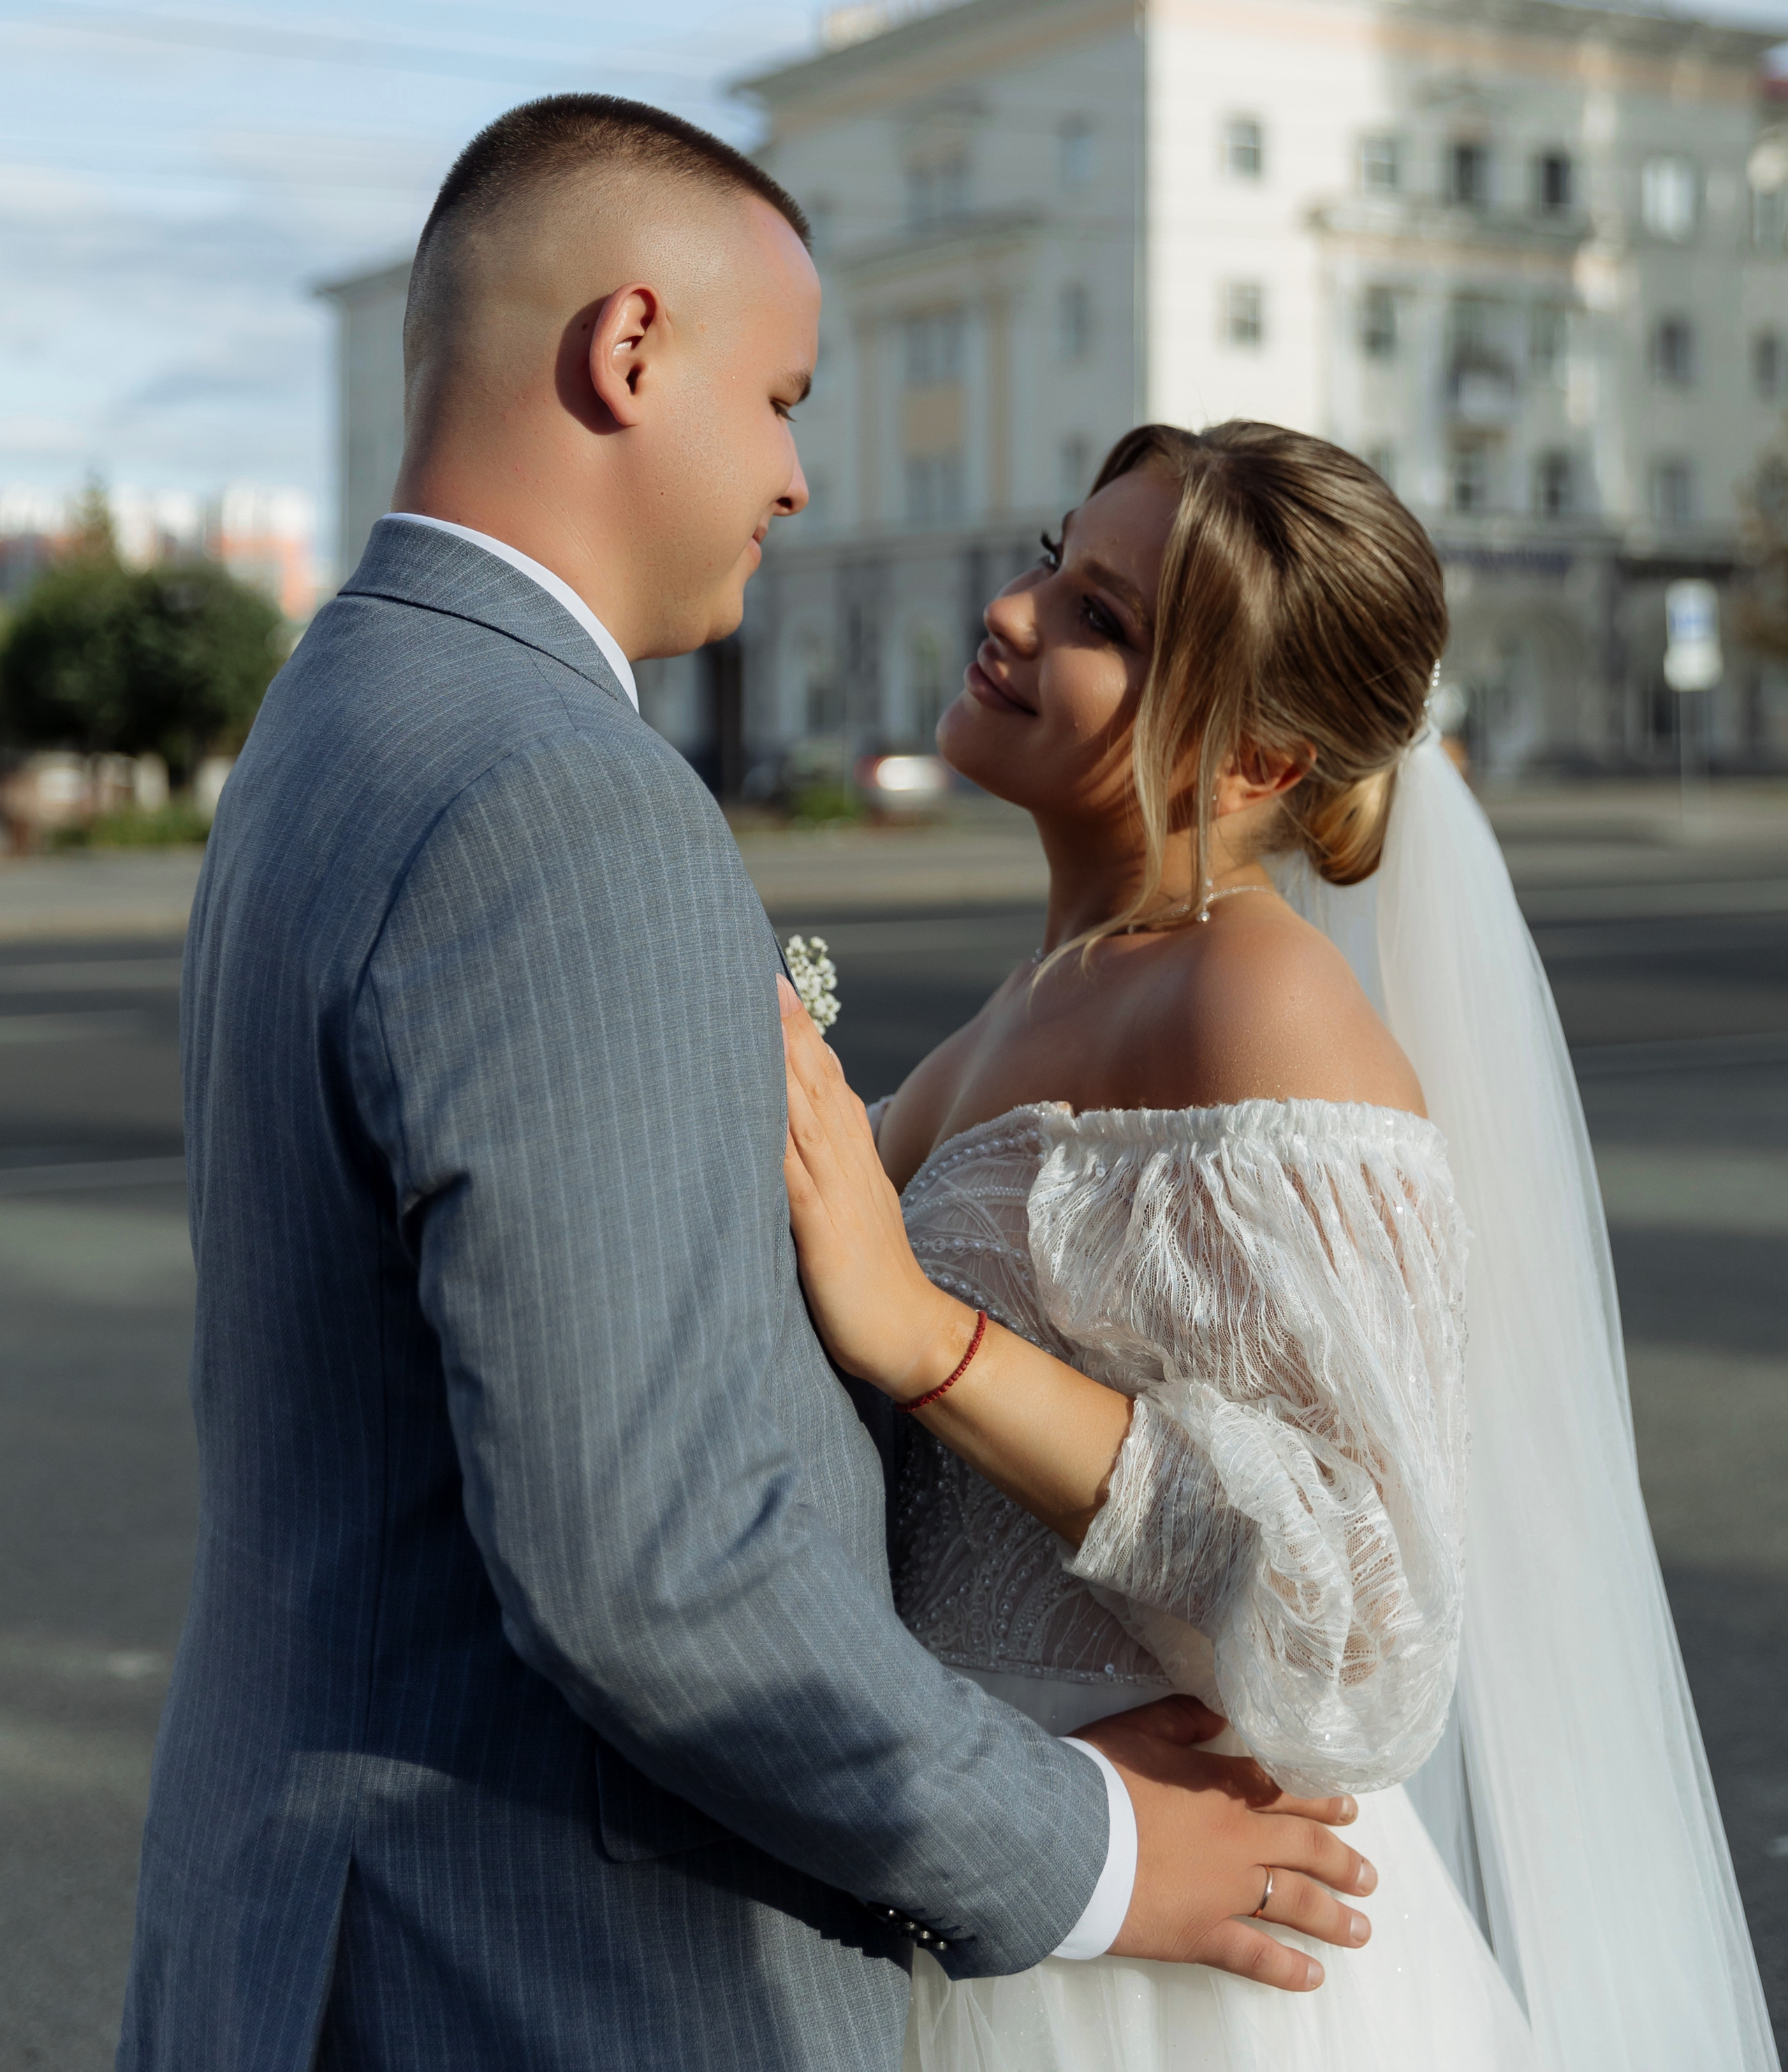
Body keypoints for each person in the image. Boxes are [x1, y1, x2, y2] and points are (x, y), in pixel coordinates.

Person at [115, 105, 1375, 2072]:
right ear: (631, 351)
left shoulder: (338, 707)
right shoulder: (553, 793)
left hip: (334, 1927)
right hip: (522, 1969)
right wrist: (1102, 1854)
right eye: (781, 396)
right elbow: (656, 1573)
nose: (796, 472)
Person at [777, 420, 1779, 2072]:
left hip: (1183, 1978)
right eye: (1050, 558)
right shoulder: (1046, 990)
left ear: (1249, 766)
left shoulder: (1253, 997)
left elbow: (1363, 1629)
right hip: (1003, 1882)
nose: (1015, 615)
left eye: (1102, 621)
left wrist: (925, 1341)